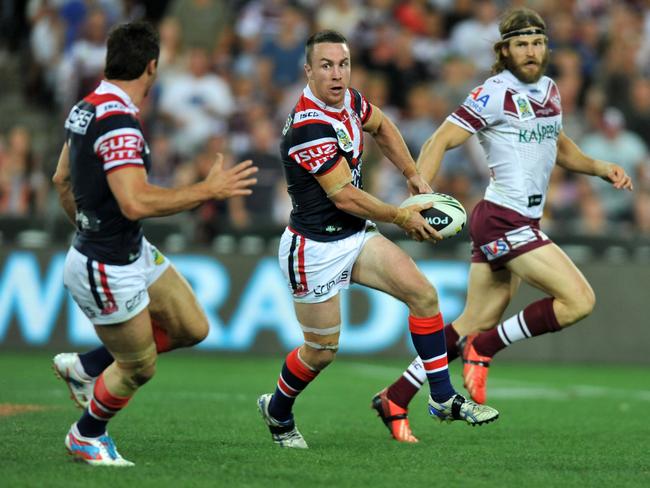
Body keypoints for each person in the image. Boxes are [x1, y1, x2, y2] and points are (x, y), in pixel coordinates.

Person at [372, 7, 633, 443]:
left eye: (537, 42)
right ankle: (486, 348)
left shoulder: (550, 89)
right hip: (503, 219)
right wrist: (419, 197)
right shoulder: (494, 92)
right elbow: (441, 138)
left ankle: (395, 397)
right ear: (505, 50)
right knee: (579, 300)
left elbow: (558, 143)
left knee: (471, 320)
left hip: (518, 219)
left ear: (546, 47)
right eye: (521, 43)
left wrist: (598, 166)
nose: (531, 51)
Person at [256, 30, 499, 450]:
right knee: (321, 351)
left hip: (355, 237)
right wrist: (401, 216)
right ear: (308, 71)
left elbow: (383, 126)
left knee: (423, 294)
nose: (337, 74)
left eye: (343, 64)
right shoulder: (308, 125)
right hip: (312, 250)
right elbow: (343, 195)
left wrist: (413, 175)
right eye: (327, 66)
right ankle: (278, 410)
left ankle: (441, 398)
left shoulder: (349, 100)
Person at [51, 21, 258, 466]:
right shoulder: (119, 120)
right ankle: (86, 434)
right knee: (138, 367)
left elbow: (61, 179)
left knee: (191, 327)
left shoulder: (86, 107)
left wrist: (89, 226)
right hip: (108, 264)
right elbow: (134, 200)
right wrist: (208, 190)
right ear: (151, 67)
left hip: (128, 250)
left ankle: (87, 367)